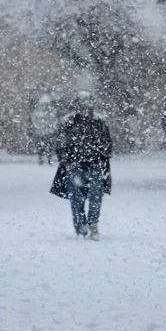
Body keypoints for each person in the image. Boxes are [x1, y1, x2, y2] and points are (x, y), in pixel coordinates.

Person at [55, 91, 112, 240]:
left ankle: (93, 225)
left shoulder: (99, 121)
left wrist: (103, 158)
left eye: (86, 105)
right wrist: (66, 161)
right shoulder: (68, 122)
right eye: (81, 105)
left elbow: (107, 142)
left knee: (95, 197)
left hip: (94, 165)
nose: (84, 108)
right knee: (76, 198)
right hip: (74, 166)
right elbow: (60, 143)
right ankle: (80, 227)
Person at [29, 94, 59, 165]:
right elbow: (35, 120)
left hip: (48, 132)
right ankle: (41, 159)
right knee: (41, 146)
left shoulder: (51, 111)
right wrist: (39, 127)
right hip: (41, 132)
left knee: (49, 146)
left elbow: (54, 120)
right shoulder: (38, 111)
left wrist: (51, 127)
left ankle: (48, 159)